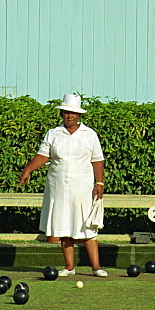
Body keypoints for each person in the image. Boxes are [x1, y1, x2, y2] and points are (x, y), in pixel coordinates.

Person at [18, 94, 107, 277]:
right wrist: (28, 170)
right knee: (63, 225)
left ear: (79, 115)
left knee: (87, 226)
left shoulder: (89, 134)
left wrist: (99, 183)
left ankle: (96, 267)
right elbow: (43, 156)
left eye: (73, 113)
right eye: (66, 112)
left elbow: (97, 160)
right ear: (62, 114)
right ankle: (69, 267)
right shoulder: (53, 133)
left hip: (83, 187)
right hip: (58, 186)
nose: (70, 116)